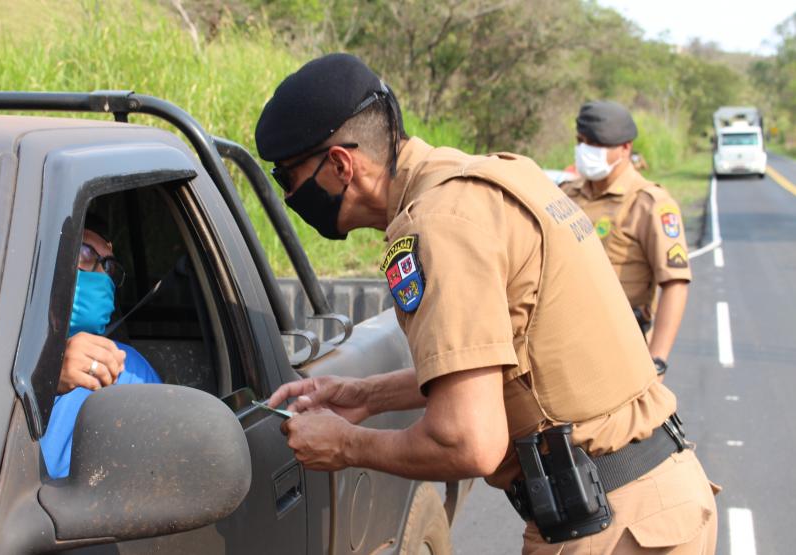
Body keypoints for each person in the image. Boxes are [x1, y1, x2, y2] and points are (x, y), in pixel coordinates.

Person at [257, 54, 717, 553]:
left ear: (341, 165)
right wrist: (367, 396)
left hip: (608, 527)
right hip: (663, 502)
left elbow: (468, 440)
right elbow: (503, 360)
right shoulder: (498, 177)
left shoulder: (437, 224)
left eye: (288, 178)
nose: (289, 196)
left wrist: (345, 444)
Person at [561, 101, 691, 378]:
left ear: (625, 148)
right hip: (565, 346)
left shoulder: (649, 204)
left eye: (597, 145)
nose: (586, 151)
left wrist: (657, 361)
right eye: (582, 142)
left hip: (623, 350)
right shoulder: (564, 196)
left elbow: (675, 283)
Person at [39, 217, 161, 479]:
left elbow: (154, 476)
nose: (103, 276)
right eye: (84, 253)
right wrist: (44, 377)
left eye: (110, 267)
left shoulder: (128, 369)